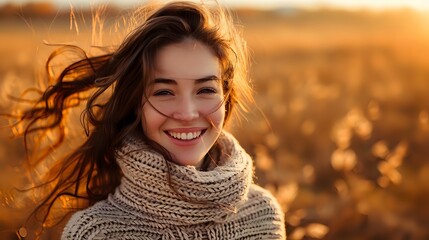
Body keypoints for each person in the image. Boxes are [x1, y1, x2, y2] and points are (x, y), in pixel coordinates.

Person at [15, 1, 286, 239]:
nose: (188, 113)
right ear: (136, 105)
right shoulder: (97, 232)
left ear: (226, 99)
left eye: (205, 90)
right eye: (164, 92)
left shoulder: (262, 216)